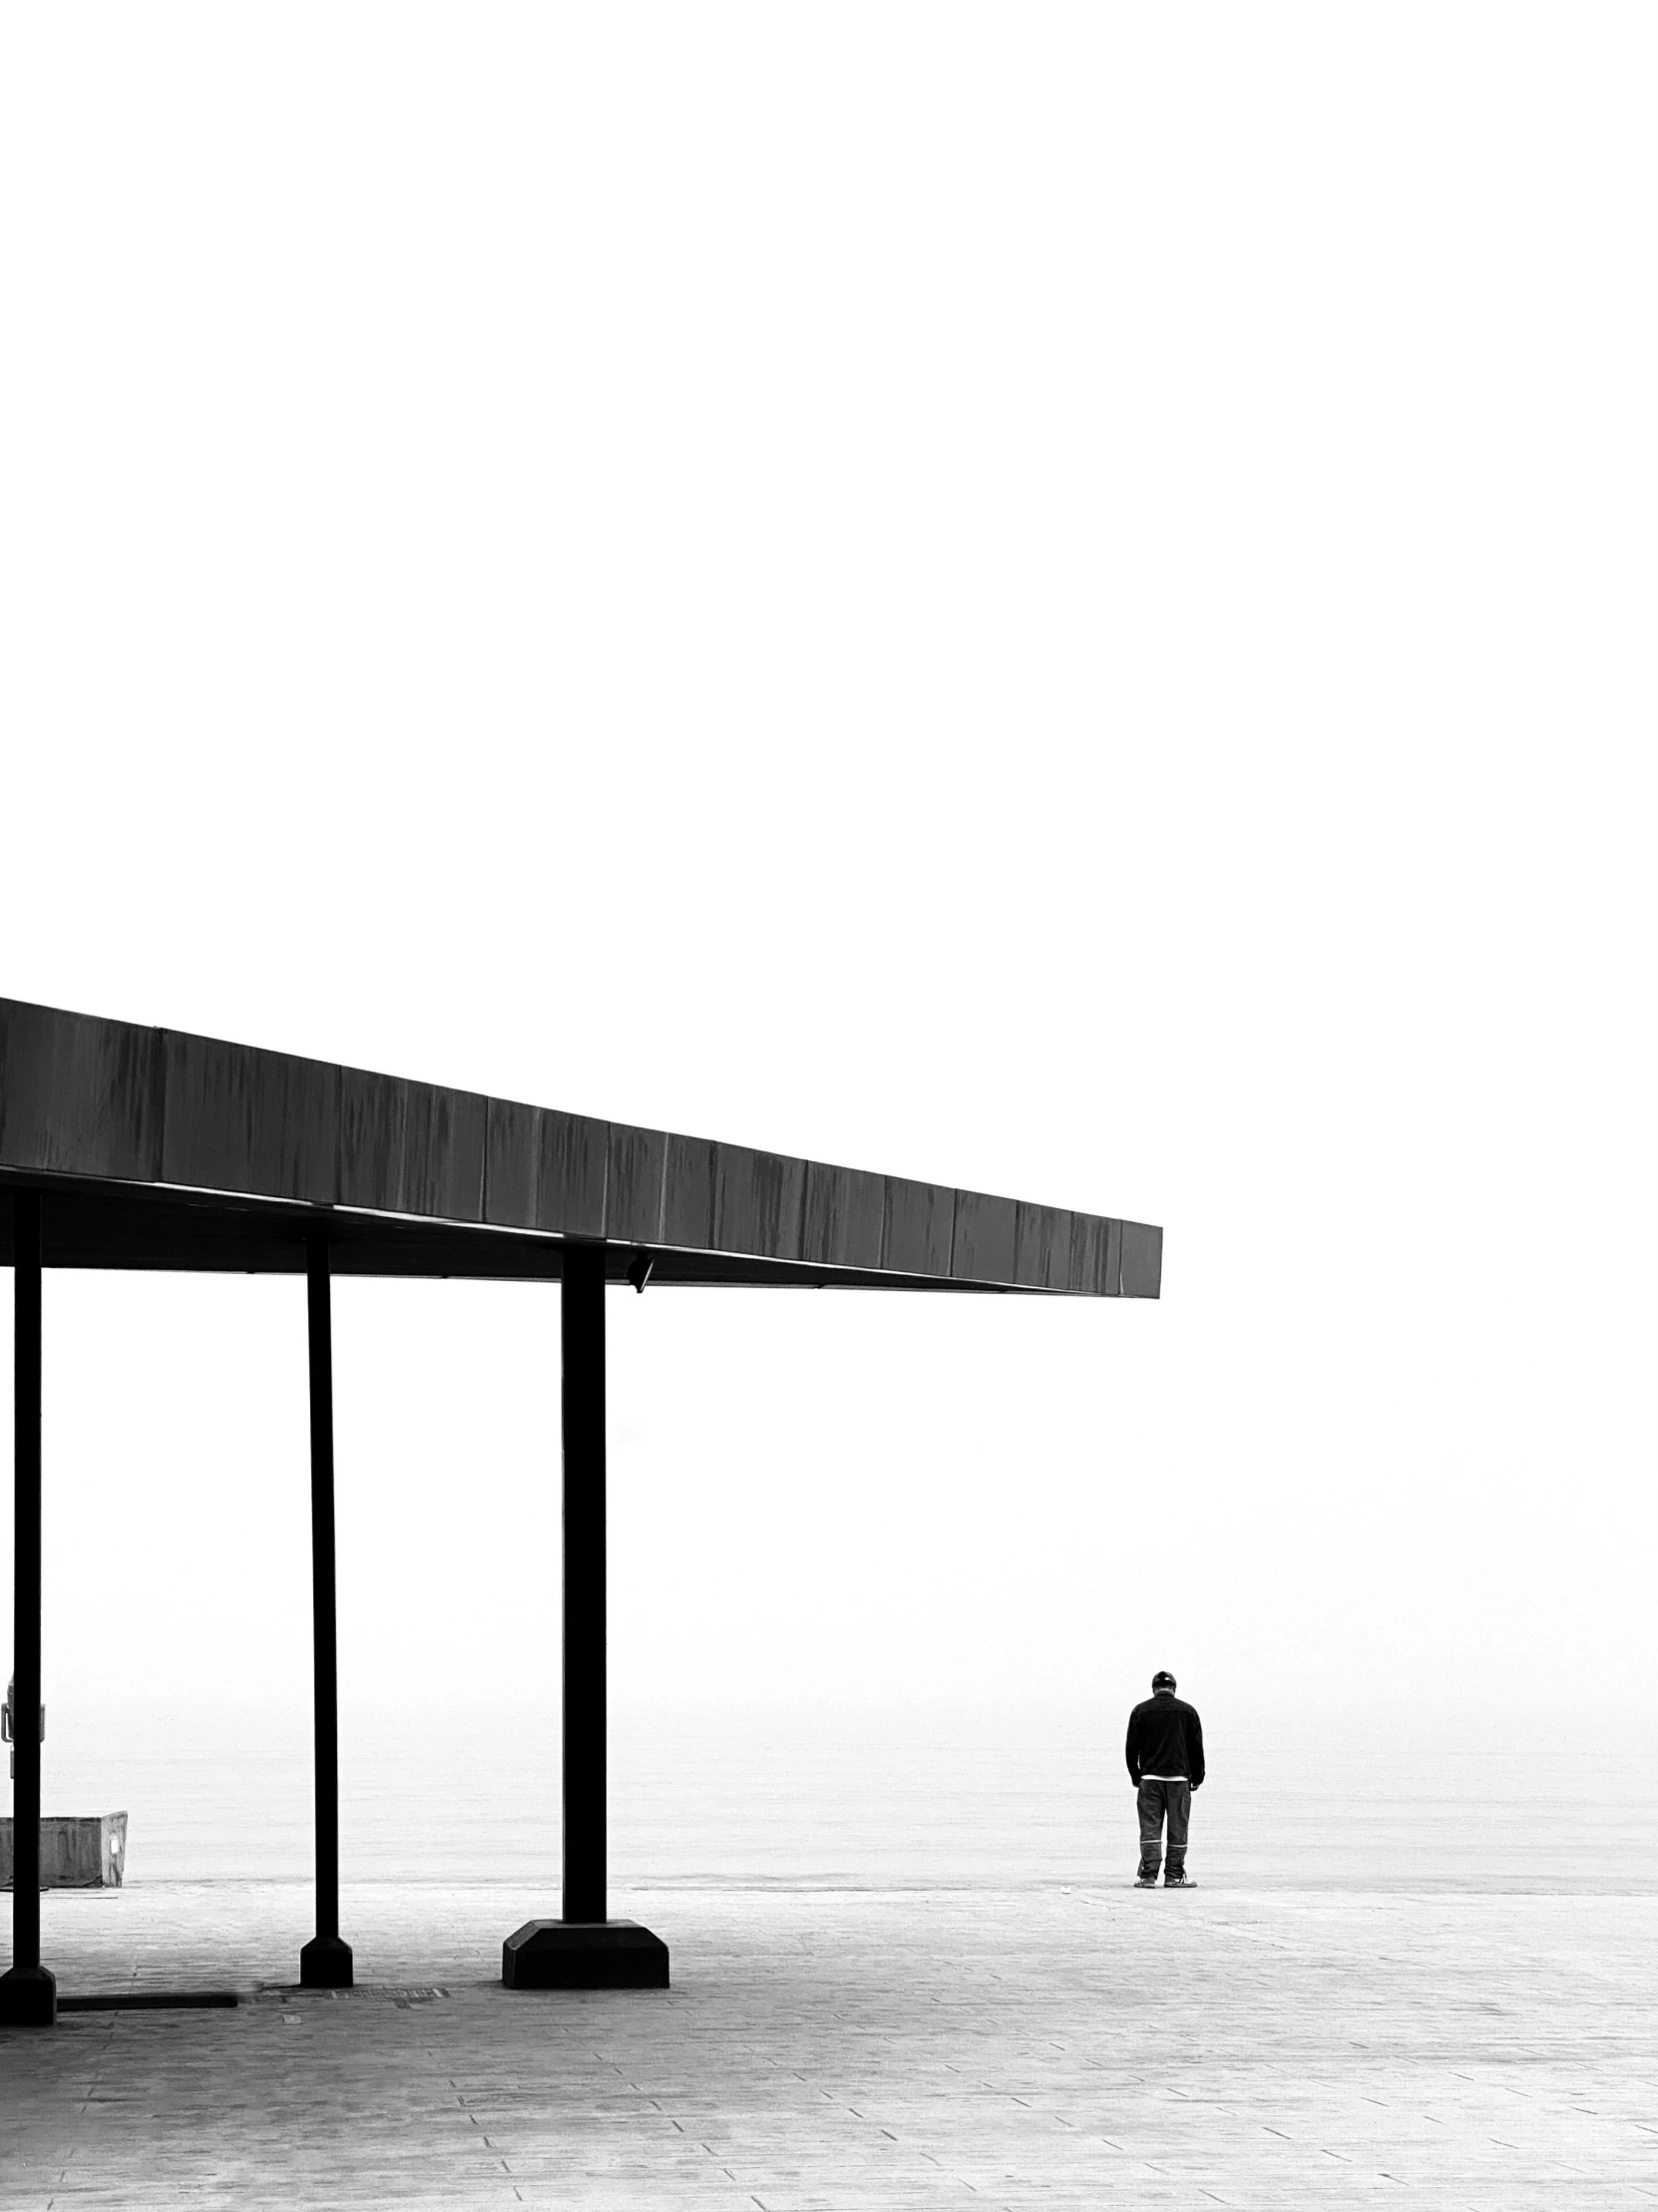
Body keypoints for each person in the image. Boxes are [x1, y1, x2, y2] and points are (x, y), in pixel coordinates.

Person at [1124, 1669, 1204, 1888]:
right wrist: (1197, 1777)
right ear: (1174, 1689)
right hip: (1179, 1780)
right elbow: (1196, 1748)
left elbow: (1131, 1748)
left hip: (1149, 1779)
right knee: (1178, 1828)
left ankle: (1148, 1876)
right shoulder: (1188, 1712)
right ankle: (1174, 1875)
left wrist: (1136, 1775)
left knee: (1150, 1827)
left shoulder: (1140, 1711)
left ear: (1153, 1689)